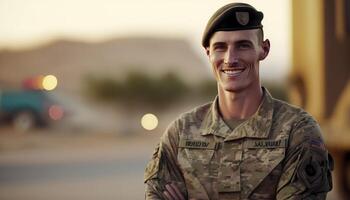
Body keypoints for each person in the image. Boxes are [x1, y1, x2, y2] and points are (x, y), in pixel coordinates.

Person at [144, 2, 333, 200]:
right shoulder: (180, 133)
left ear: (264, 49)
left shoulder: (297, 130)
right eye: (220, 47)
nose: (230, 58)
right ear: (208, 53)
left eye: (243, 45)